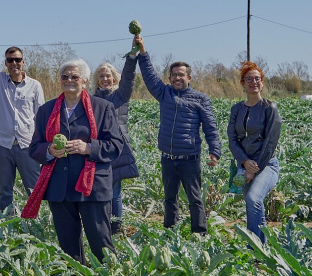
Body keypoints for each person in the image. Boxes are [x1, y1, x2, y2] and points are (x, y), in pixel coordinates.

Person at [23, 58, 123, 264]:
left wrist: (88, 148)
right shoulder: (46, 110)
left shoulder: (102, 107)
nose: (69, 80)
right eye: (65, 76)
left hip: (92, 187)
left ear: (85, 81)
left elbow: (115, 145)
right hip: (60, 187)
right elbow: (34, 148)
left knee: (100, 242)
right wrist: (49, 150)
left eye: (75, 76)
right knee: (69, 247)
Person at [133, 34, 221, 233]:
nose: (177, 78)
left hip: (190, 158)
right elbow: (149, 75)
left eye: (181, 74)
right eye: (174, 75)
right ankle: (170, 233)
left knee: (195, 198)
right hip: (168, 158)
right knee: (169, 198)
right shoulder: (165, 93)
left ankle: (200, 233)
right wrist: (142, 51)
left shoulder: (200, 99)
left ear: (189, 77)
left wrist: (215, 151)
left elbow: (210, 127)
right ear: (170, 78)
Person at [0, 22, 45, 214]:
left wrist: (42, 143)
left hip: (27, 144)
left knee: (34, 189)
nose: (14, 63)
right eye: (10, 60)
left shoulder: (35, 85)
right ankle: (8, 225)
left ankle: (35, 223)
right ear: (5, 63)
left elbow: (41, 115)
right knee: (4, 191)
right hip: (1, 144)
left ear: (23, 62)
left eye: (17, 60)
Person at [227, 61, 281, 243]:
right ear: (242, 83)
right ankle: (263, 250)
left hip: (266, 165)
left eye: (257, 79)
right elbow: (232, 140)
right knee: (254, 206)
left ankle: (254, 248)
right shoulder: (236, 109)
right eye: (249, 79)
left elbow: (270, 143)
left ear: (262, 83)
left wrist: (253, 168)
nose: (253, 82)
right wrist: (243, 162)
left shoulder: (269, 108)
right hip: (244, 165)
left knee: (253, 198)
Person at [91, 59, 139, 235]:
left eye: (108, 76)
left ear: (114, 78)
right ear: (97, 79)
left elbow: (128, 78)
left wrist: (132, 57)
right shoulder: (91, 100)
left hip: (117, 149)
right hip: (98, 149)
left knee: (115, 191)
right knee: (99, 190)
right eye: (101, 76)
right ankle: (101, 225)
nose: (105, 79)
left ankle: (116, 228)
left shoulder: (120, 96)